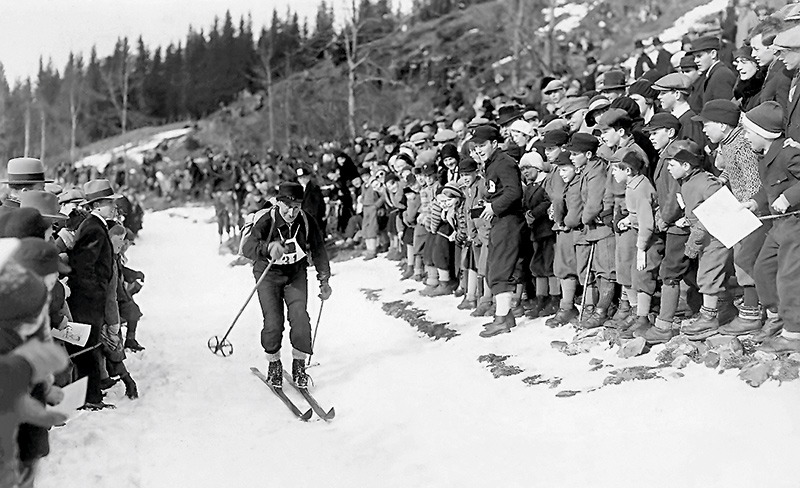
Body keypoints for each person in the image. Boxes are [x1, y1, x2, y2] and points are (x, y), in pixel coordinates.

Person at [242, 182, 331, 388]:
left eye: (296, 207)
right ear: (278, 202)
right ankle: (274, 364)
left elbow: (319, 251)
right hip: (269, 274)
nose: (291, 212)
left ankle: (299, 366)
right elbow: (248, 247)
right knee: (273, 321)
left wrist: (324, 280)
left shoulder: (306, 220)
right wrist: (268, 247)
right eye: (287, 207)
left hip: (295, 273)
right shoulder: (267, 219)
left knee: (300, 317)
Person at [66, 179, 123, 410]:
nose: (114, 207)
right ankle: (90, 398)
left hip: (89, 301)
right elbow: (83, 267)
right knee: (87, 350)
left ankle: (91, 396)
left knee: (89, 349)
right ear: (97, 205)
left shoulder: (96, 225)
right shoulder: (93, 227)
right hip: (87, 302)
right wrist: (96, 292)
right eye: (110, 203)